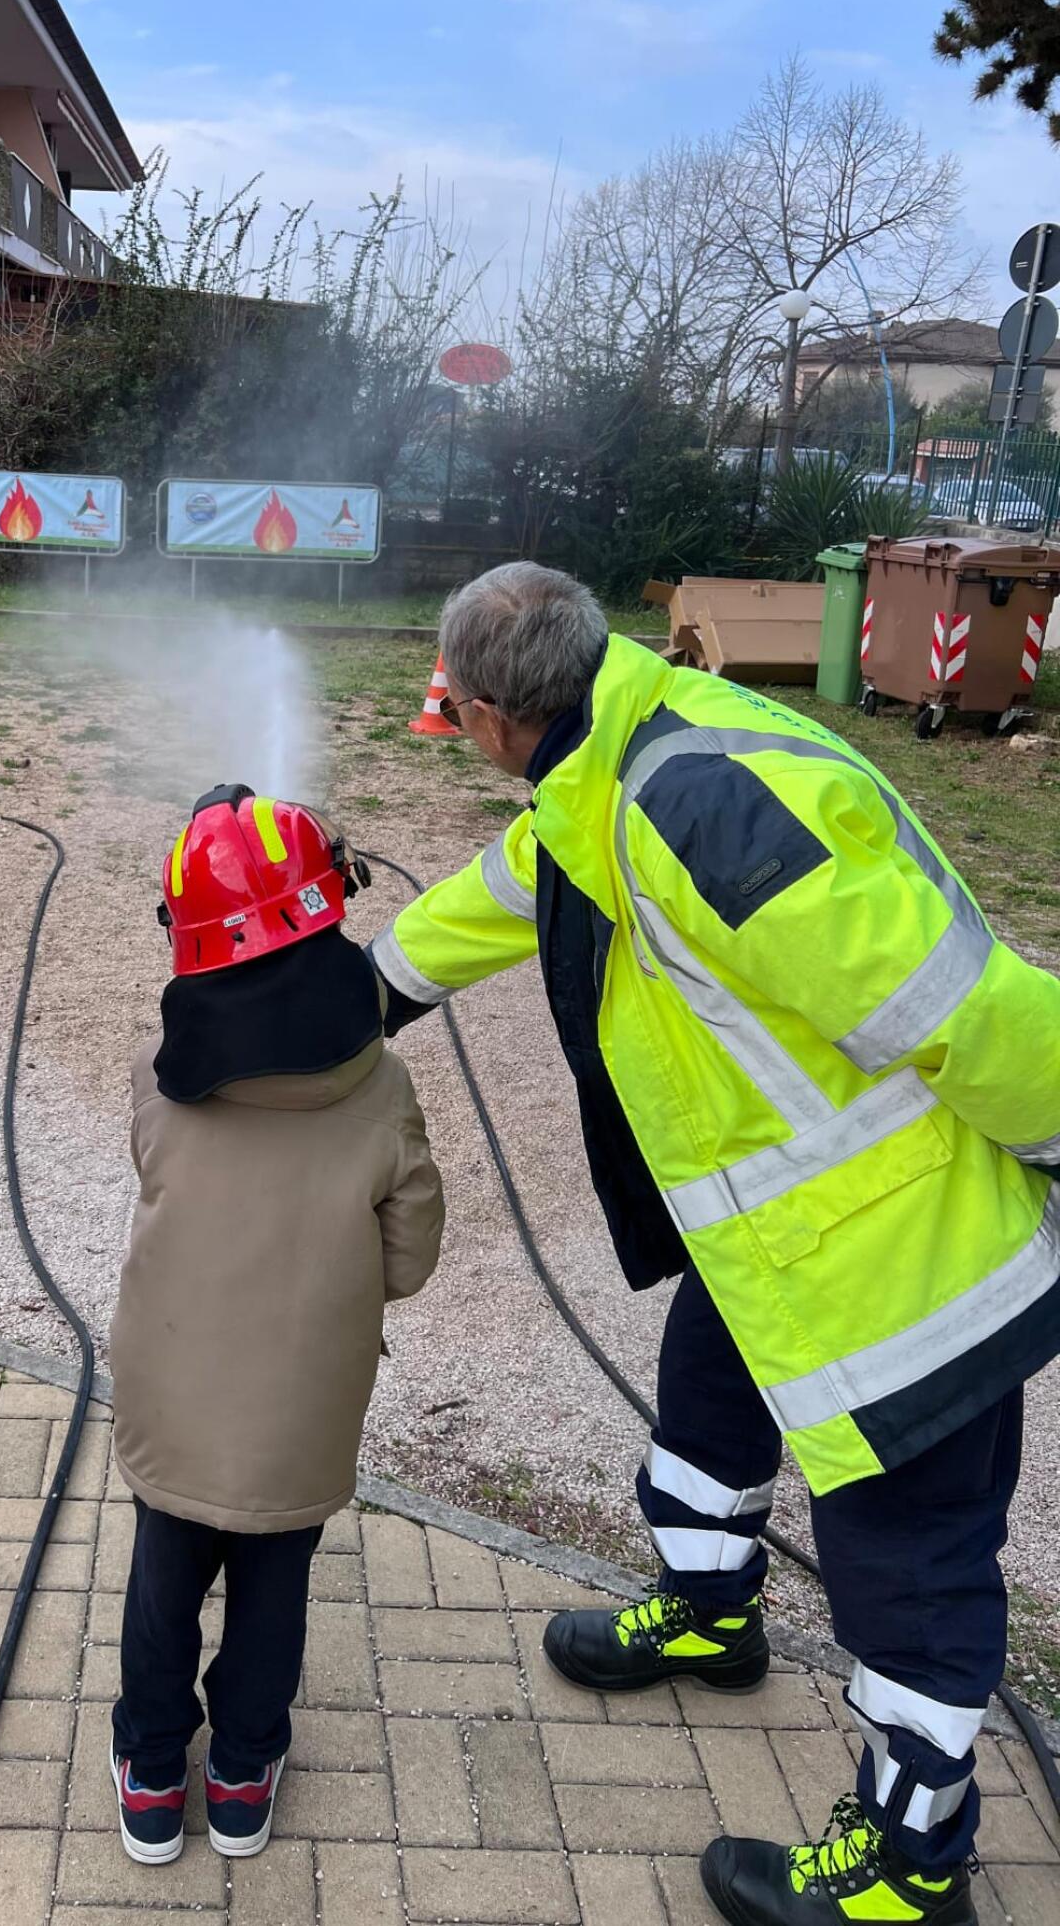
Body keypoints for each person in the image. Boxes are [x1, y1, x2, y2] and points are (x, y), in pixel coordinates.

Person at [369, 563, 1060, 1926]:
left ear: (500, 714)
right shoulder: (609, 758)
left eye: (460, 723)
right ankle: (707, 1607)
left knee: (905, 1564)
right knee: (706, 1399)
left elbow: (954, 1003)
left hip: (903, 1275)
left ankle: (911, 1866)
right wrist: (359, 989)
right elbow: (510, 887)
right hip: (784, 1247)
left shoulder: (697, 801)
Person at [108, 786, 444, 1866]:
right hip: (304, 1404)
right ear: (329, 914)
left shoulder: (159, 1088)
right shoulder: (383, 1089)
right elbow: (411, 1255)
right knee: (273, 1589)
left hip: (172, 1393)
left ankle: (155, 1777)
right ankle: (245, 1774)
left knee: (163, 1581)